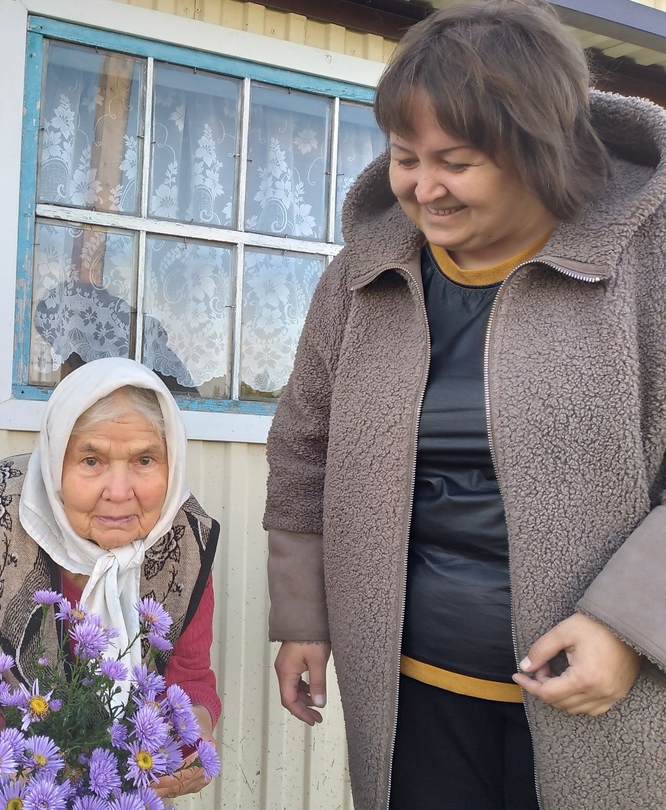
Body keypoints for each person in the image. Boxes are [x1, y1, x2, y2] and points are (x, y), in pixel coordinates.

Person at [264, 1, 666, 808]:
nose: (422, 187)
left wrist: (632, 627)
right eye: (406, 156)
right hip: (417, 697)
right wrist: (303, 617)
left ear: (539, 149)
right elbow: (303, 449)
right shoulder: (361, 273)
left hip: (604, 699)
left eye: (456, 159)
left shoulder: (647, 256)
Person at [0, 357, 220, 806]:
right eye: (91, 460)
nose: (119, 491)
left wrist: (193, 741)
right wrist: (22, 791)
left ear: (171, 464)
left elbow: (190, 680)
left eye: (144, 459)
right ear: (57, 459)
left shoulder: (186, 540)